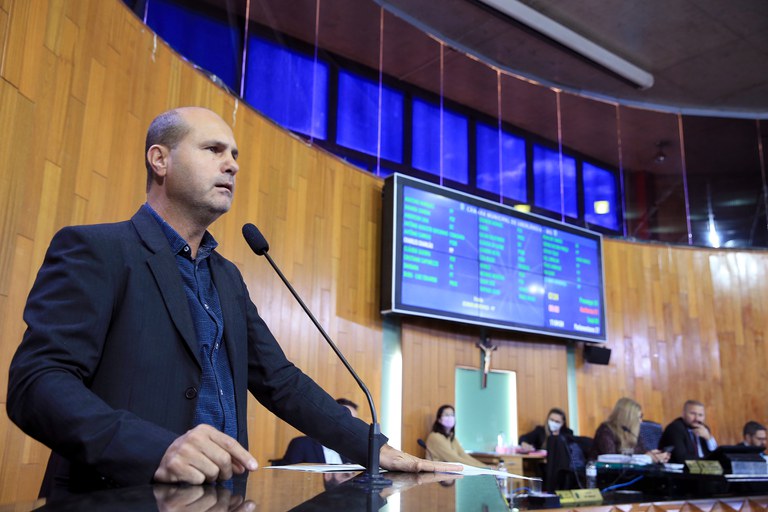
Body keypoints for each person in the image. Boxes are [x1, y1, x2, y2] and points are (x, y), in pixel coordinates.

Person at [6, 107, 460, 497]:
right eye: (214, 150)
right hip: (116, 498)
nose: (232, 166)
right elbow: (37, 383)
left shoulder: (227, 276)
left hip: (222, 500)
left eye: (235, 155)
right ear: (160, 159)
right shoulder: (97, 250)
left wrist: (374, 448)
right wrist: (155, 449)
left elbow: (280, 381)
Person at [279, 398, 359, 464]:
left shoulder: (352, 449)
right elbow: (289, 476)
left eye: (354, 421)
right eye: (347, 420)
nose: (351, 425)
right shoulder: (301, 444)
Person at [589, 397, 669, 463]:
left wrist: (655, 456)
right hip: (606, 474)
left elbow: (641, 451)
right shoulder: (605, 430)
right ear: (629, 417)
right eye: (639, 417)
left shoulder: (632, 432)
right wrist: (646, 457)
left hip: (628, 473)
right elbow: (610, 458)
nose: (641, 421)